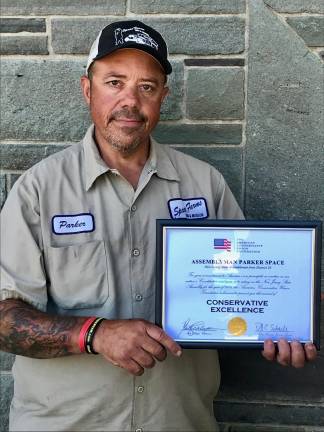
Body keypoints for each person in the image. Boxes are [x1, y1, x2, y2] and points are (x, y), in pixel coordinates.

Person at [0, 20, 317, 432]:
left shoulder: (205, 184)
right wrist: (95, 334)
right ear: (87, 89)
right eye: (114, 82)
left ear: (163, 97)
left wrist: (279, 328)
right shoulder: (38, 191)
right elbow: (4, 319)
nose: (130, 101)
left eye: (146, 87)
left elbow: (249, 288)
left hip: (178, 421)